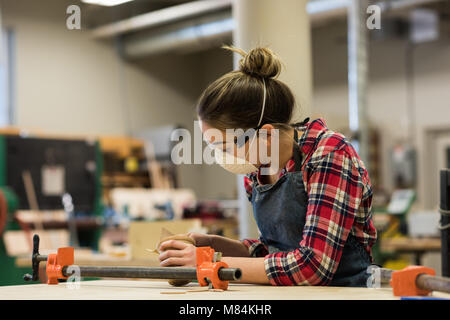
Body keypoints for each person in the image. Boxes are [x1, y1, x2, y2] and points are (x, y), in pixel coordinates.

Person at [158, 46, 377, 286]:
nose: (220, 156)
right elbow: (274, 254)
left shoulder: (328, 154)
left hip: (345, 292)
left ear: (266, 136)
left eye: (224, 146)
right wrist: (212, 245)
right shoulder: (256, 169)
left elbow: (312, 266)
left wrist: (210, 262)